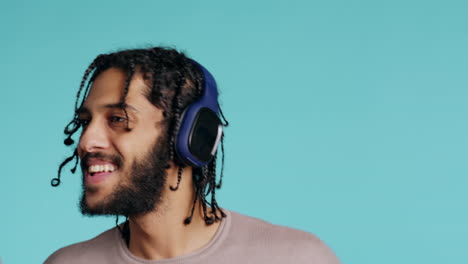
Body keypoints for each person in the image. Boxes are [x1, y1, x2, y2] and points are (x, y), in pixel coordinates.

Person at [45, 47, 340, 264]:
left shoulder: (295, 257)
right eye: (86, 122)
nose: (86, 141)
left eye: (118, 119)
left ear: (191, 136)